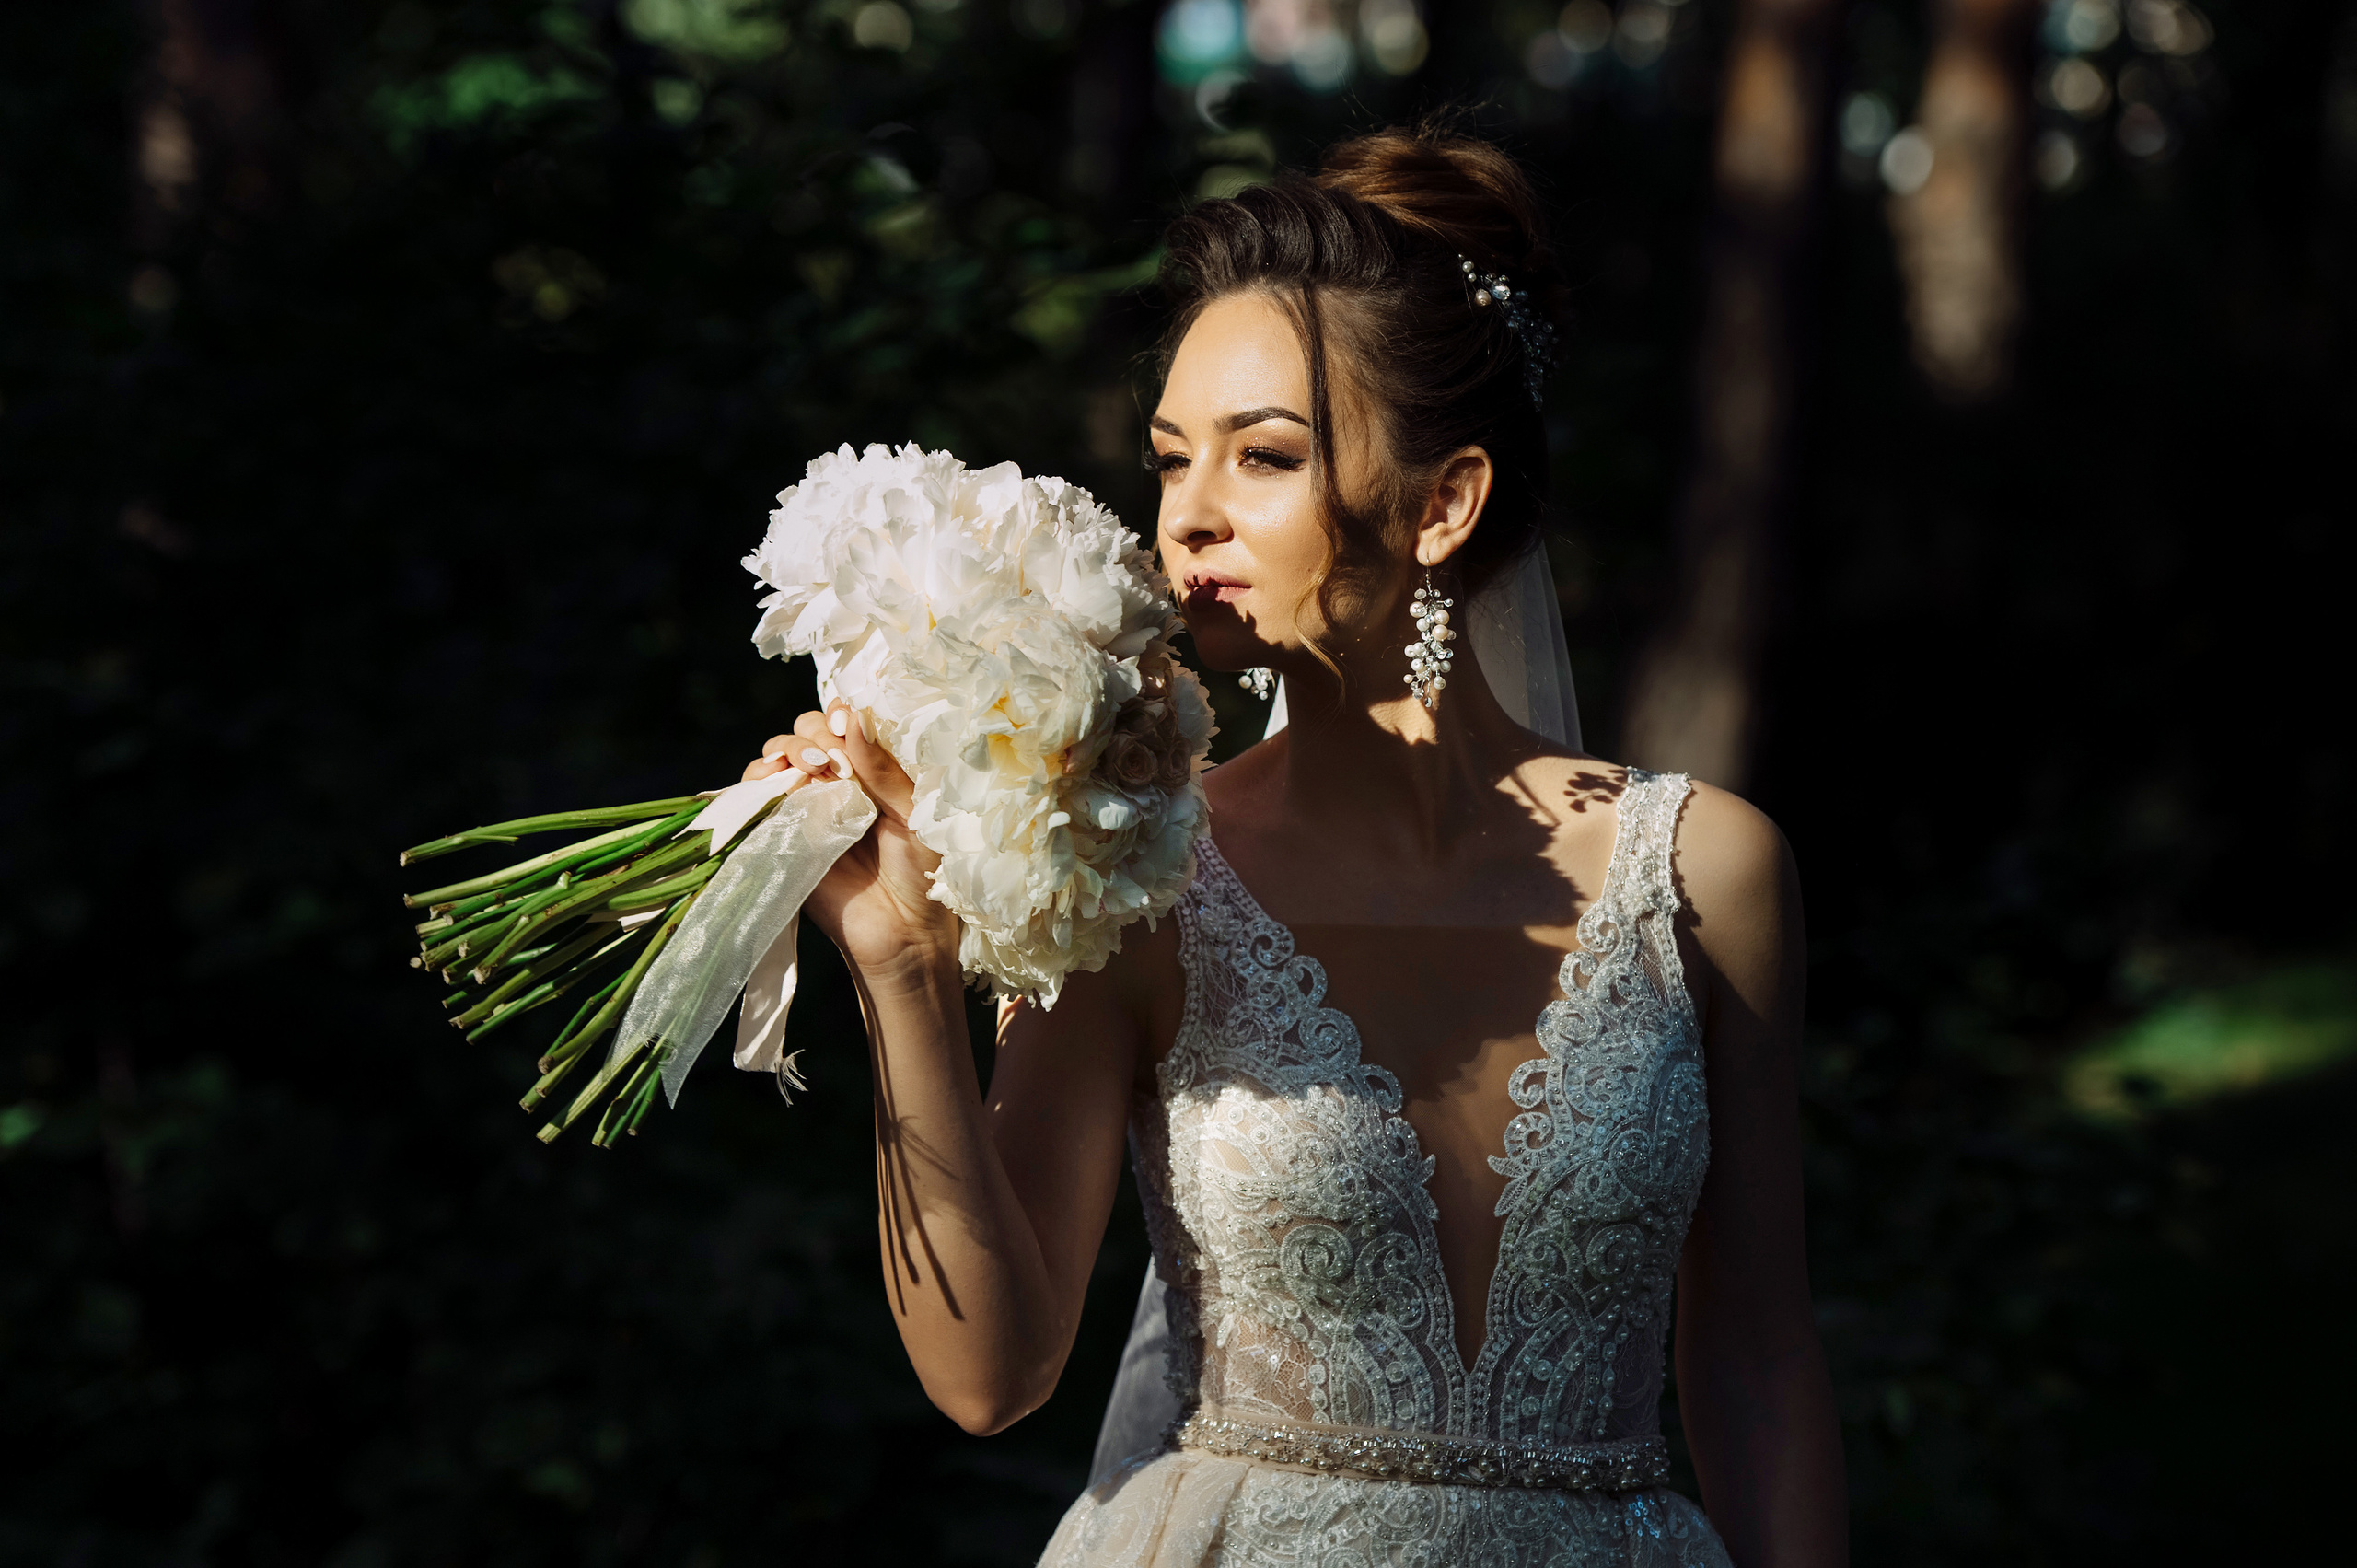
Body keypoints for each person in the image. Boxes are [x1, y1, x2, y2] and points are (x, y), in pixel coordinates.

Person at [743, 127, 1847, 1566]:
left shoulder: (1710, 878)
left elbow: (1759, 1358)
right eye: (1170, 458)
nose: (1187, 514)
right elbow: (991, 1373)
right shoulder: (1131, 873)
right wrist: (896, 969)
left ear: (1445, 501)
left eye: (1263, 456)